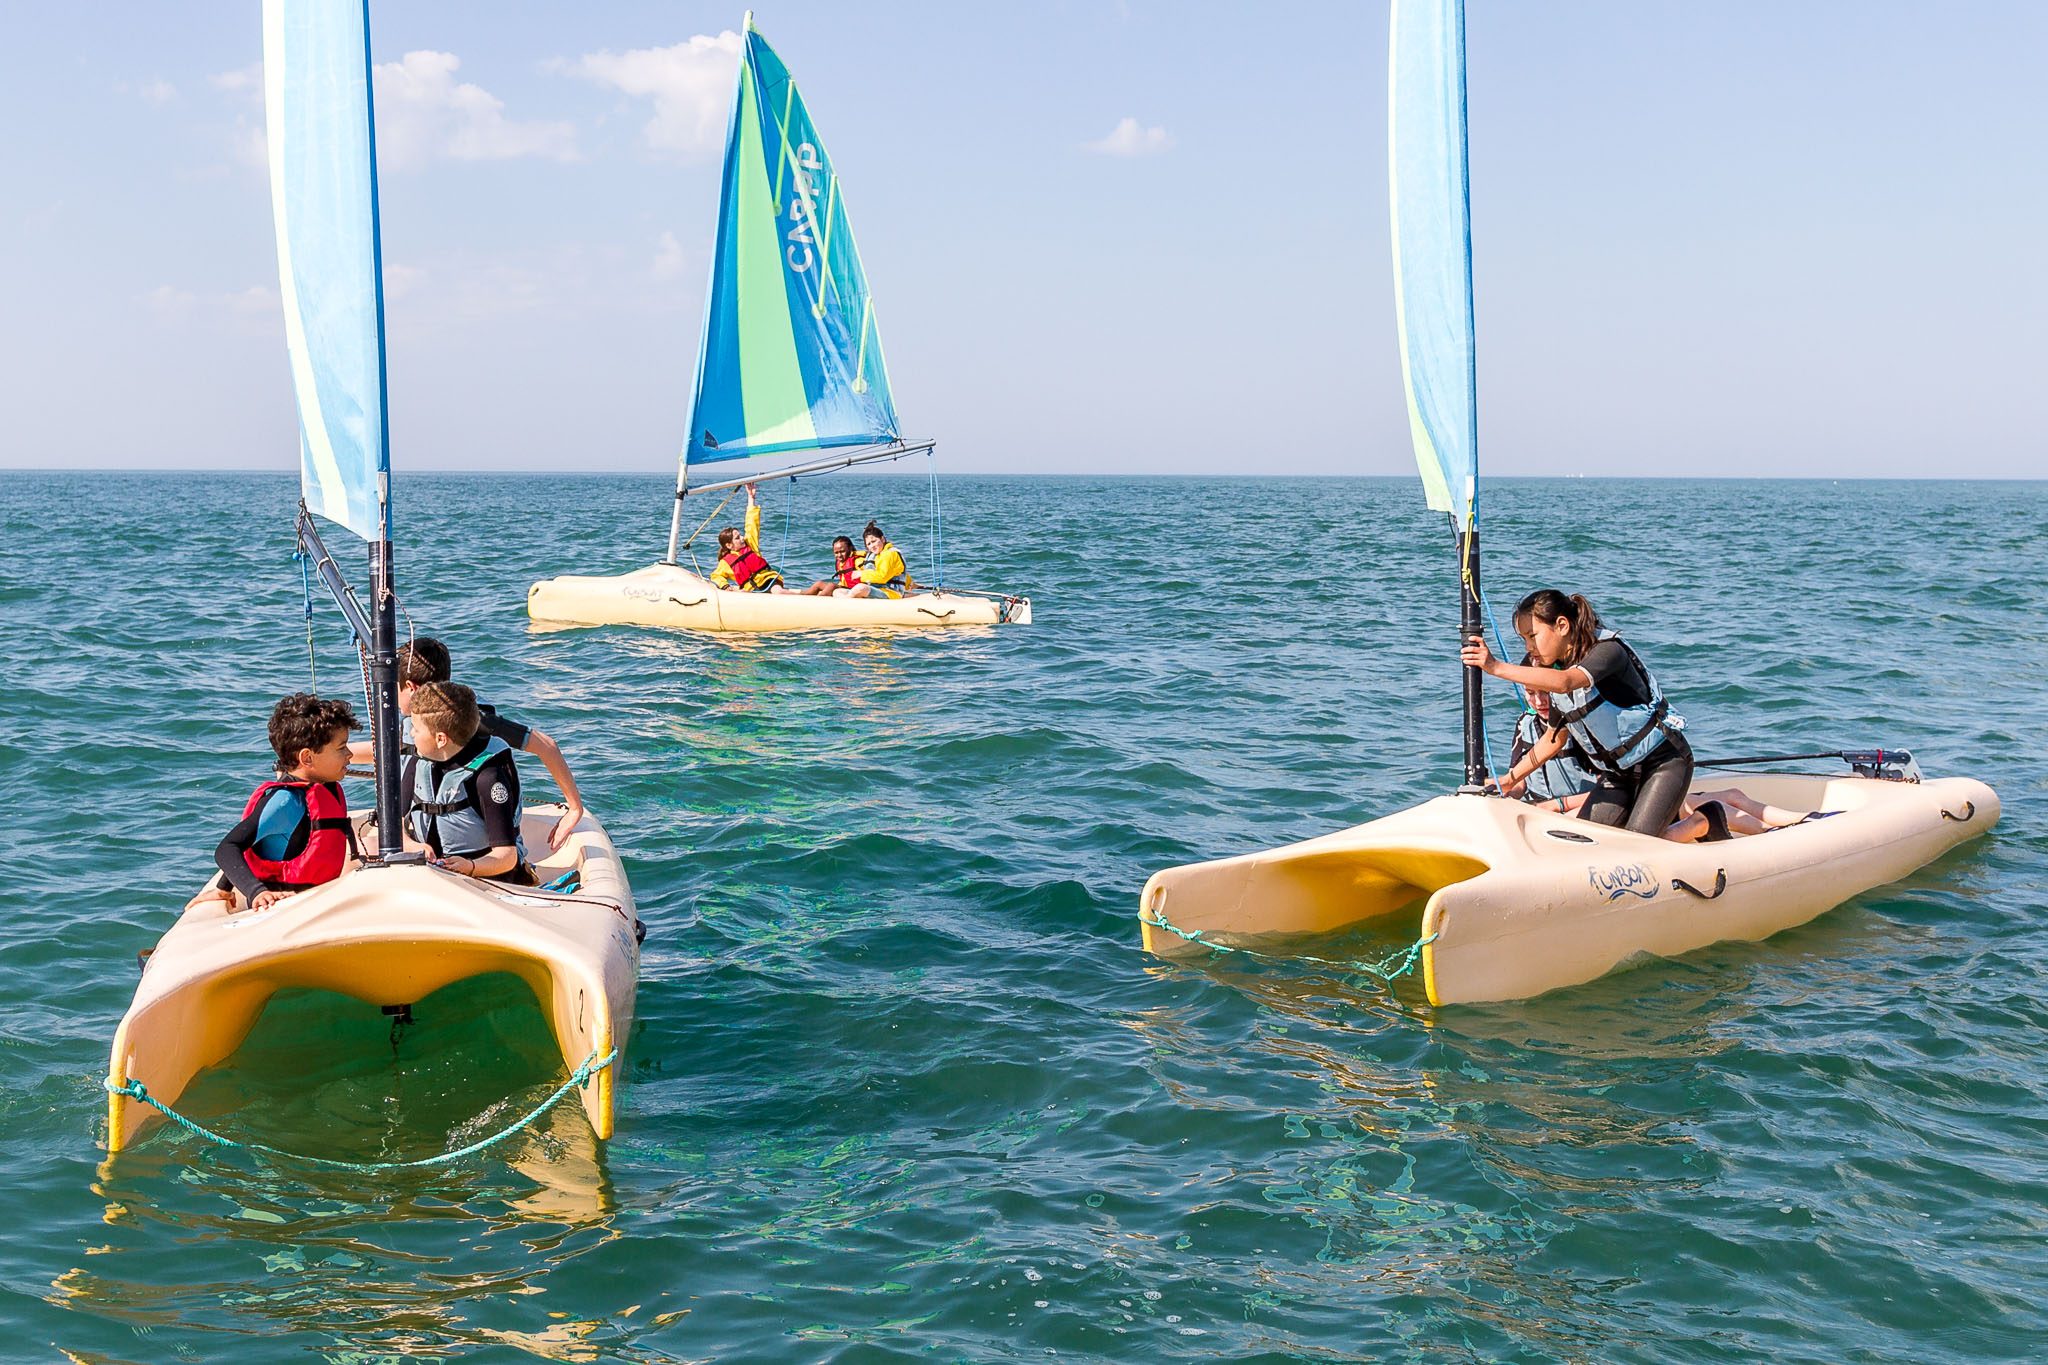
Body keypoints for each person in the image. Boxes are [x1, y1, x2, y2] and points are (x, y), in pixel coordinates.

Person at [1466, 589, 1692, 835]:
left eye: (1532, 636)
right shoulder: (1558, 671)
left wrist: (1495, 667)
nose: (1529, 647)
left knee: (1636, 842)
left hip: (1662, 763)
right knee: (1582, 839)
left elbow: (1567, 682)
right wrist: (1509, 779)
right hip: (1618, 774)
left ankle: (1705, 820)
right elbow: (1553, 739)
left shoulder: (1607, 652)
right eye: (1524, 640)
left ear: (1562, 625)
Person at [348, 636, 586, 851]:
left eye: (394, 689)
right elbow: (390, 750)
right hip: (429, 842)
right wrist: (336, 755)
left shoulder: (473, 719)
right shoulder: (416, 726)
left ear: (410, 687)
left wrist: (574, 809)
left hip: (480, 850)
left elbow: (546, 745)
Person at [213, 693, 361, 911]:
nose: (349, 754)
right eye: (341, 748)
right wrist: (255, 891)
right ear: (307, 758)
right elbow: (228, 848)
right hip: (281, 906)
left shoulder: (326, 789)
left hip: (316, 899)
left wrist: (224, 888)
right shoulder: (286, 801)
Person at [403, 681, 534, 885]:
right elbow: (394, 822)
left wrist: (470, 867)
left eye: (416, 729)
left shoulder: (488, 778)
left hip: (484, 876)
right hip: (431, 871)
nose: (411, 734)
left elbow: (507, 856)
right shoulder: (419, 762)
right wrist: (412, 846)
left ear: (441, 739)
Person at [711, 484, 792, 593]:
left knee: (779, 592)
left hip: (767, 580)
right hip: (751, 589)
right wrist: (725, 585)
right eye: (737, 538)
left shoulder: (750, 544)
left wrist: (751, 498)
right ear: (729, 545)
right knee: (743, 592)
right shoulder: (725, 563)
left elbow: (751, 523)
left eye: (740, 535)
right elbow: (716, 576)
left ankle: (809, 593)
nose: (742, 538)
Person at [836, 521, 908, 599]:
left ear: (882, 539)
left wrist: (861, 574)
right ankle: (851, 599)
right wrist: (911, 584)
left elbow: (882, 577)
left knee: (860, 588)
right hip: (877, 590)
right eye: (869, 544)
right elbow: (902, 574)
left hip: (891, 593)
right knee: (838, 591)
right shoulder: (876, 555)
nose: (872, 546)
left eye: (874, 541)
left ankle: (847, 602)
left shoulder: (890, 554)